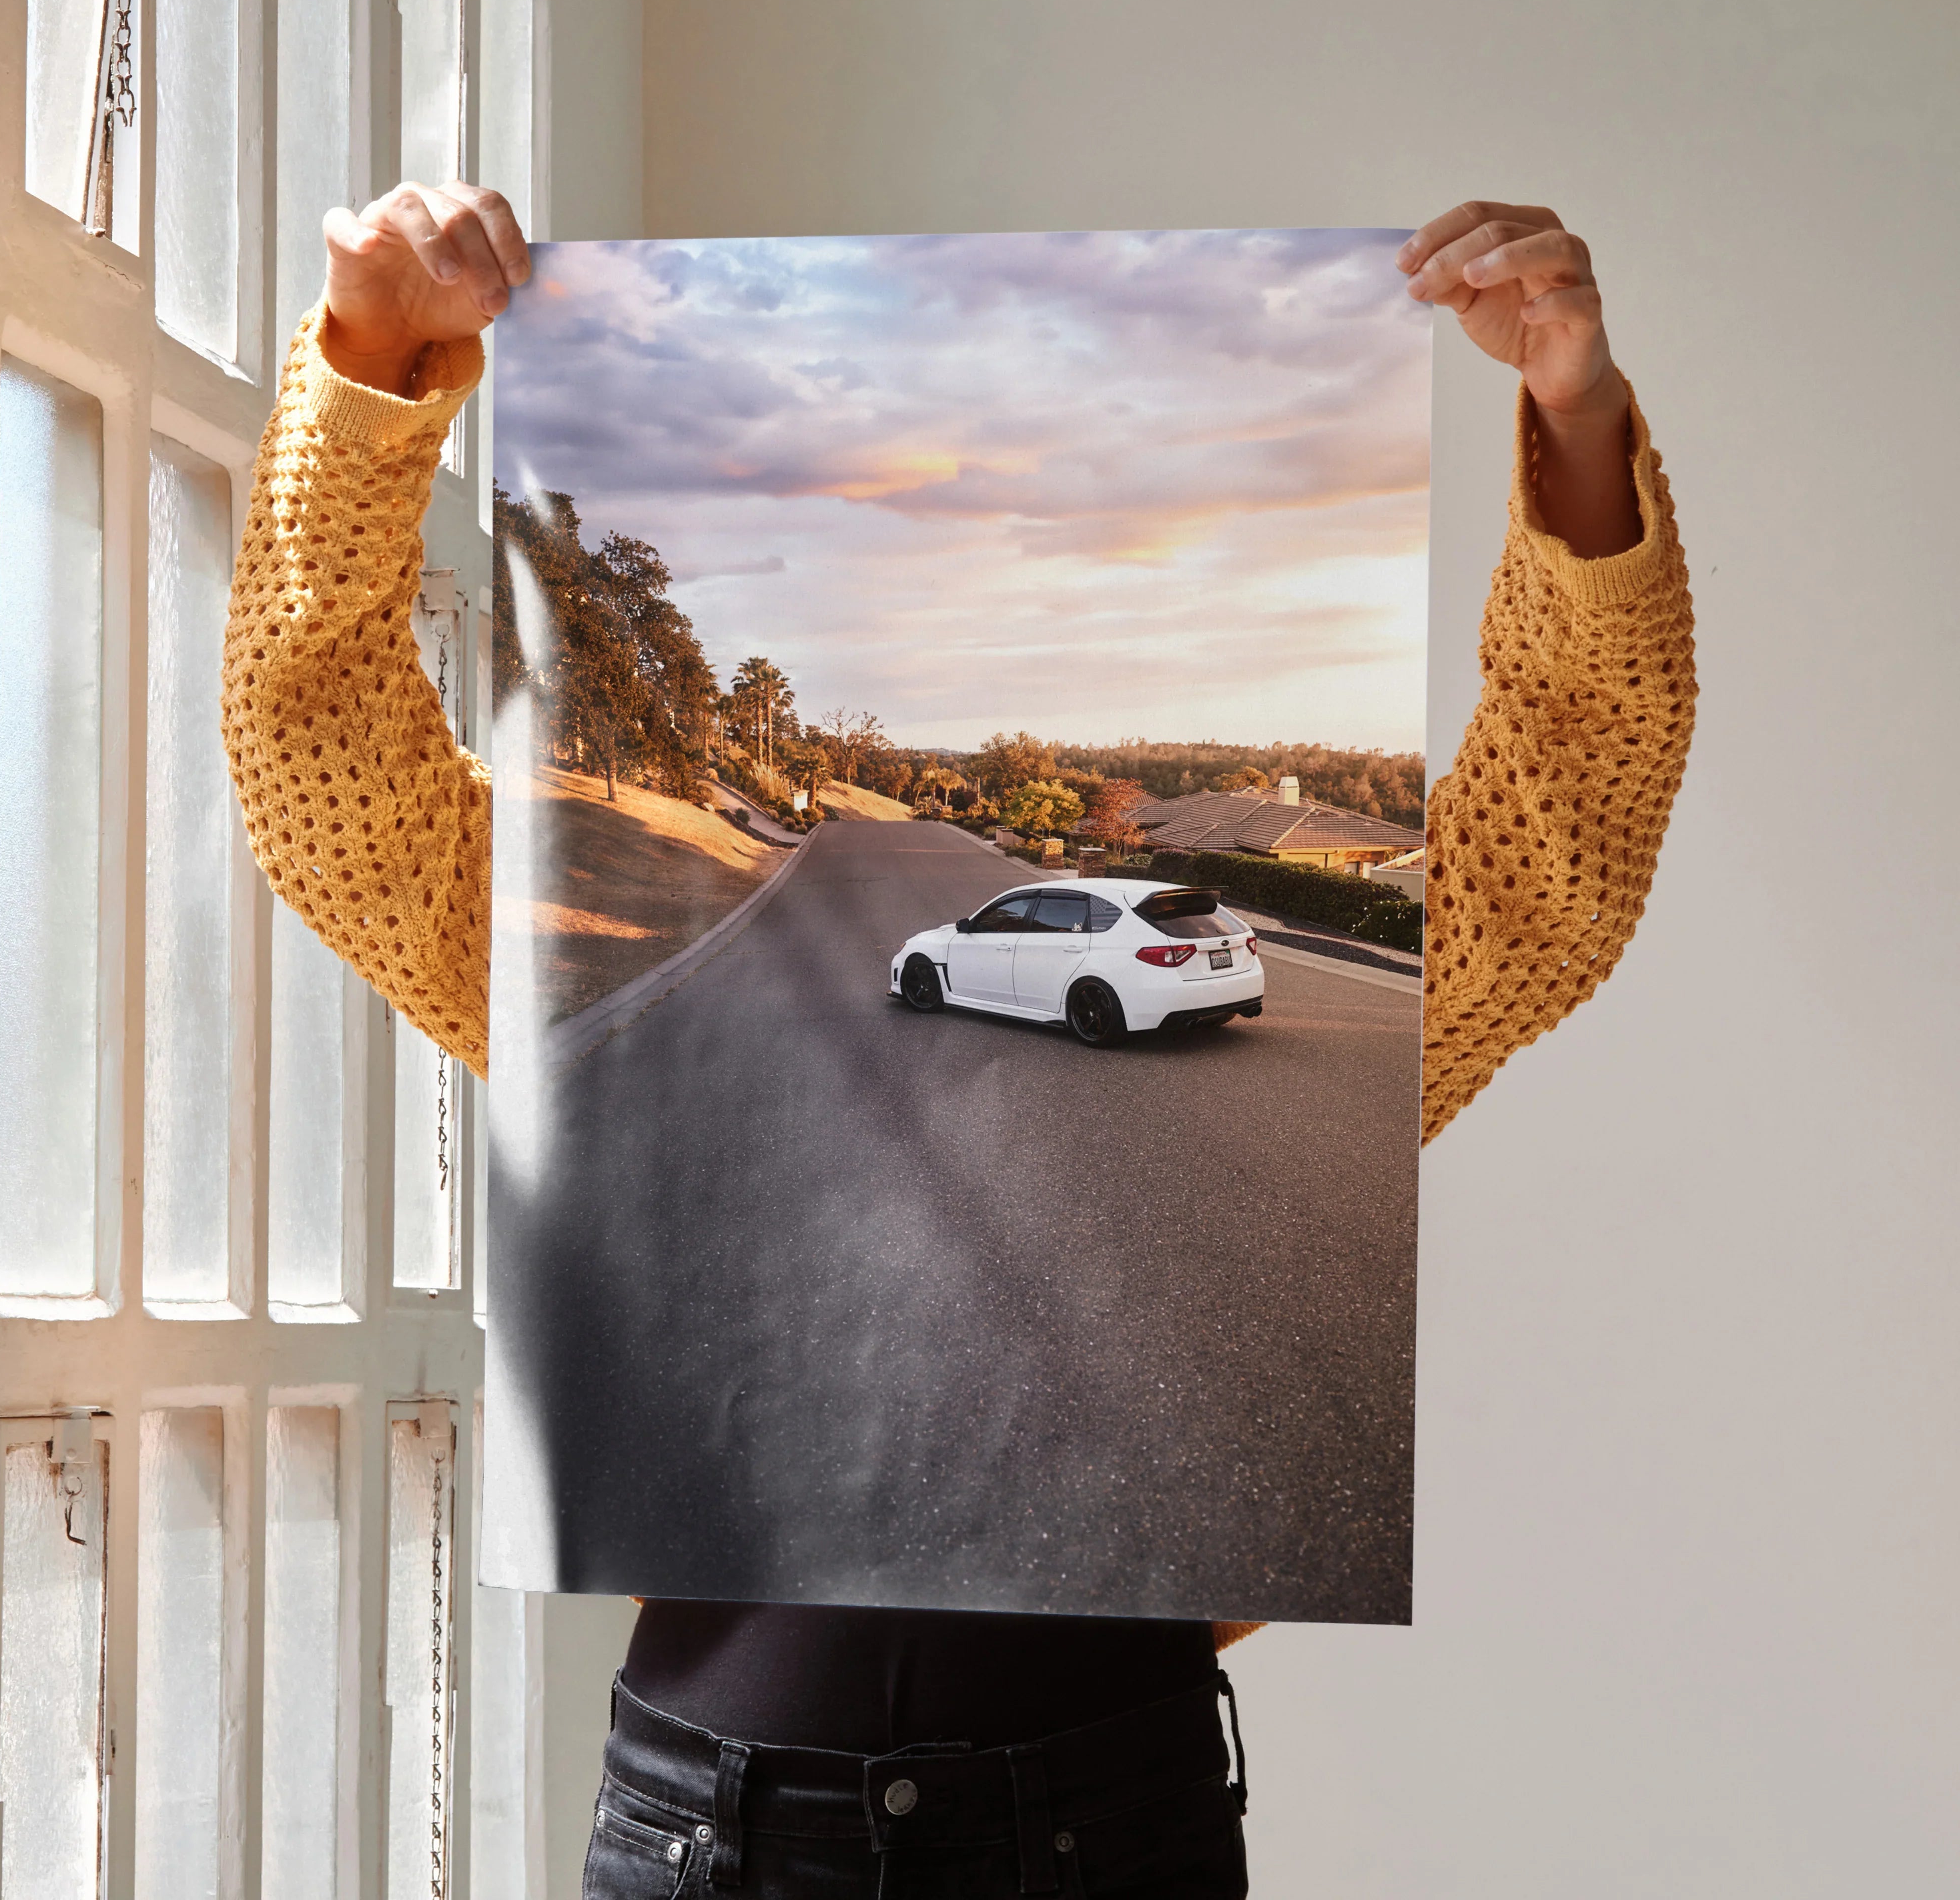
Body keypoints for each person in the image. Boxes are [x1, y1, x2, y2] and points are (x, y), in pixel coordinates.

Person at [223, 184, 1694, 1897]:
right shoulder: (565, 998)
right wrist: (370, 364)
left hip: (1108, 1819)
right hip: (715, 1832)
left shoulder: (1219, 1012)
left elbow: (1558, 854)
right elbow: (321, 772)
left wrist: (1577, 422)